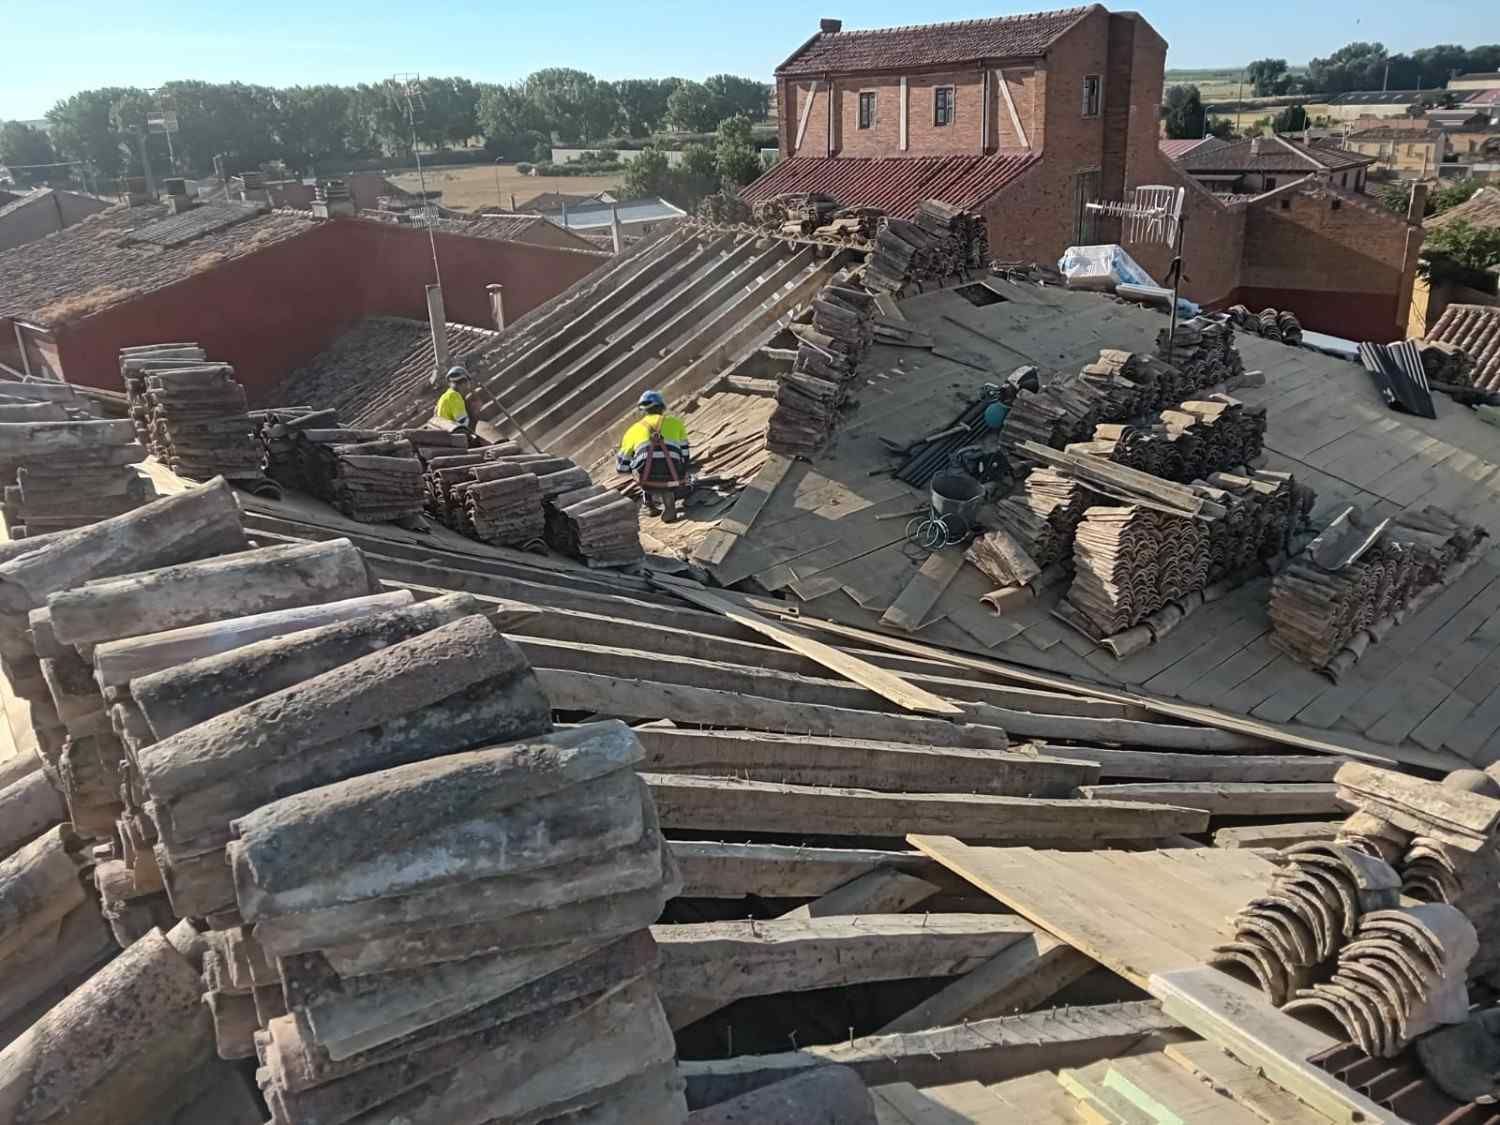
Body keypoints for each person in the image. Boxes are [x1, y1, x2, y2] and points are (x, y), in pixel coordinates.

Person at [617, 390, 690, 518]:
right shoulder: (676, 423)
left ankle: (649, 504)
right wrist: (682, 472)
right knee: (670, 462)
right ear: (662, 407)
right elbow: (685, 454)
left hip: (647, 482)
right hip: (674, 478)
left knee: (638, 466)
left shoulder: (632, 430)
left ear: (643, 410)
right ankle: (669, 500)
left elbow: (622, 467)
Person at [435, 366, 472, 433]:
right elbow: (464, 424)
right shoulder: (454, 396)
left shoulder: (445, 395)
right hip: (451, 437)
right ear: (463, 382)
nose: (468, 387)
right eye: (467, 383)